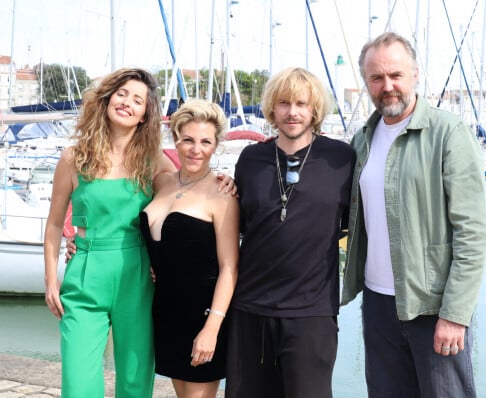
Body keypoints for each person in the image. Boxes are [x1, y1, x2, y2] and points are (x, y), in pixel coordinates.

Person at [43, 68, 233, 398]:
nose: (128, 103)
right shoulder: (73, 158)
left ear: (146, 113)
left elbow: (188, 187)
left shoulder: (152, 160)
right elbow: (55, 224)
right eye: (122, 94)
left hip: (138, 276)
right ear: (106, 98)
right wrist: (50, 281)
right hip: (85, 273)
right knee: (78, 384)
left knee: (135, 381)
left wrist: (224, 180)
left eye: (138, 100)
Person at [341, 32, 486, 397]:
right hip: (377, 305)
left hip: (433, 306)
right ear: (366, 82)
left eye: (396, 75)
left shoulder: (448, 133)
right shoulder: (362, 139)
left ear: (416, 75)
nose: (387, 86)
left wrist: (455, 314)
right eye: (376, 78)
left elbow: (472, 232)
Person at [226, 67, 355, 398]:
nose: (293, 112)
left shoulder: (341, 159)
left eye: (301, 103)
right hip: (250, 308)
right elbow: (231, 228)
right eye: (284, 103)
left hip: (312, 312)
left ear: (315, 109)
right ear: (272, 107)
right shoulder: (250, 159)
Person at [140, 98, 239, 398]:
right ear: (176, 140)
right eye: (188, 140)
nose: (196, 149)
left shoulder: (222, 195)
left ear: (216, 145)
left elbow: (229, 268)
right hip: (166, 311)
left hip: (204, 313)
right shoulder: (162, 182)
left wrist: (212, 329)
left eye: (206, 142)